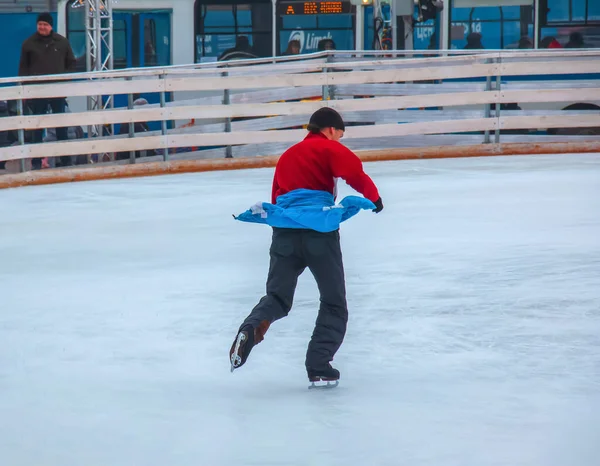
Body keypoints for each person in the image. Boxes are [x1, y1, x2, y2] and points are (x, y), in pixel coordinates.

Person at [229, 108, 383, 385]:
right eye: (340, 135)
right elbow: (353, 171)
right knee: (334, 302)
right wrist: (374, 197)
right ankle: (319, 366)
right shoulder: (327, 148)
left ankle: (251, 328)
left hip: (285, 231)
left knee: (277, 298)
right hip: (319, 234)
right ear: (331, 130)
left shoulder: (287, 156)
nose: (339, 140)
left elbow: (276, 194)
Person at [18, 12, 76, 169]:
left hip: (57, 90)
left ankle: (65, 160)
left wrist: (64, 79)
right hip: (37, 91)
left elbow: (72, 64)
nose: (42, 27)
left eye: (45, 24)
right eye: (40, 24)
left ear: (51, 26)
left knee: (61, 126)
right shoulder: (28, 44)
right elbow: (23, 69)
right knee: (37, 127)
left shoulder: (62, 43)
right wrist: (25, 90)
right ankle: (36, 161)